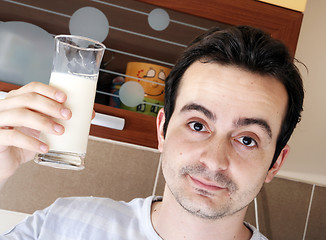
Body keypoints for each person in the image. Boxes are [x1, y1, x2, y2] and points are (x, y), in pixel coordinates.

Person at [0, 25, 304, 239]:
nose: (214, 160)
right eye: (198, 125)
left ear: (275, 163)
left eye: (247, 140)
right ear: (162, 130)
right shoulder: (64, 226)